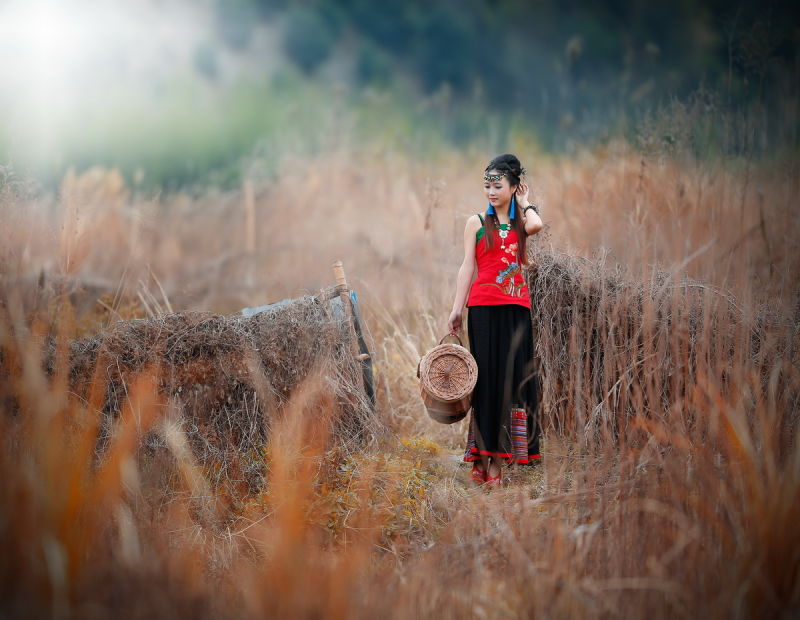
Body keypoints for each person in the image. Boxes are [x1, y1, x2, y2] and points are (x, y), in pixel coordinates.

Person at [447, 153, 544, 486]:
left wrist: (526, 202)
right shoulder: (476, 222)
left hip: (516, 309)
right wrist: (457, 308)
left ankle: (495, 457)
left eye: (498, 185)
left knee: (511, 381)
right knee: (486, 382)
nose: (490, 191)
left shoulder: (521, 221)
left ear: (513, 187)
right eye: (487, 185)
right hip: (484, 309)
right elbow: (467, 267)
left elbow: (537, 226)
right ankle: (487, 461)